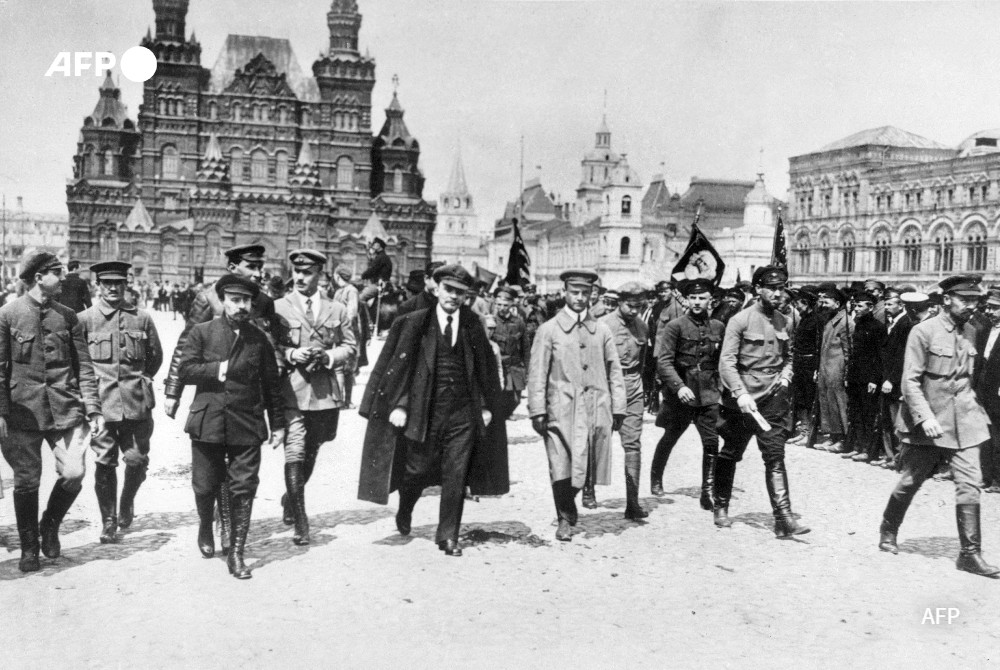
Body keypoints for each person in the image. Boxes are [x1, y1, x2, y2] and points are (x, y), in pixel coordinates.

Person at [357, 264, 506, 557]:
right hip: (424, 409)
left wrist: (487, 407)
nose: (453, 297)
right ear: (437, 289)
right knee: (417, 470)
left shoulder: (473, 325)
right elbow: (398, 369)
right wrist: (398, 405)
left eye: (459, 293)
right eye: (448, 290)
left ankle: (448, 535)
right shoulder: (414, 323)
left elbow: (486, 371)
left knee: (457, 473)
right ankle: (406, 505)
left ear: (466, 296)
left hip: (462, 413)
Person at [878, 275, 998, 578]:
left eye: (975, 300)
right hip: (930, 422)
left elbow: (971, 376)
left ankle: (970, 554)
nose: (972, 306)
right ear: (946, 300)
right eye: (965, 300)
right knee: (911, 481)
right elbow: (911, 381)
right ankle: (888, 529)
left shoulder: (973, 331)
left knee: (970, 484)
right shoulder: (923, 331)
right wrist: (925, 417)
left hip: (966, 420)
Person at [163, 243, 282, 551]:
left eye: (260, 266)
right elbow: (185, 346)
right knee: (208, 479)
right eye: (251, 267)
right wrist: (173, 391)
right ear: (233, 269)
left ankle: (229, 530)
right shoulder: (207, 298)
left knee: (238, 478)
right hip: (214, 396)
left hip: (247, 399)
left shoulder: (265, 302)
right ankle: (211, 524)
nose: (258, 272)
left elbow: (272, 347)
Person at [0, 252, 103, 572]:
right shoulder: (8, 314)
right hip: (22, 413)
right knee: (26, 481)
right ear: (38, 277)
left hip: (65, 408)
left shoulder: (68, 316)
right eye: (57, 273)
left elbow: (83, 366)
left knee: (74, 472)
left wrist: (93, 408)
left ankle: (50, 524)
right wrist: (2, 412)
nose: (63, 278)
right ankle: (29, 547)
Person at [527, 269, 626, 541]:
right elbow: (537, 373)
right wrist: (537, 410)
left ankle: (568, 507)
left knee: (587, 466)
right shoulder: (548, 330)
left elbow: (614, 369)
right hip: (560, 410)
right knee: (561, 465)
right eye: (575, 293)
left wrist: (618, 407)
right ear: (565, 293)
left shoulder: (602, 330)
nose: (580, 298)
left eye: (585, 293)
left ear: (592, 294)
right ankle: (565, 518)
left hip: (596, 407)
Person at [716, 266, 809, 537]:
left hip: (772, 398)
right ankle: (721, 505)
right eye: (772, 288)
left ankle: (784, 518)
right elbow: (727, 362)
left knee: (775, 456)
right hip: (742, 400)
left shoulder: (786, 320)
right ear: (758, 289)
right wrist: (740, 393)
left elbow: (789, 356)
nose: (778, 293)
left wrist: (785, 378)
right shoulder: (740, 320)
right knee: (731, 452)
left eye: (782, 288)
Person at [274, 250, 356, 545]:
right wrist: (291, 353)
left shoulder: (337, 310)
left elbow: (351, 347)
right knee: (295, 451)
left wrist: (329, 355)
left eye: (307, 272)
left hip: (324, 394)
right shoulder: (279, 307)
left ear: (320, 274)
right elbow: (270, 346)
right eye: (296, 271)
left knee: (313, 448)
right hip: (292, 392)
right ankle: (301, 519)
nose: (299, 277)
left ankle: (289, 497)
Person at [79, 262, 163, 544]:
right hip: (101, 407)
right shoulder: (85, 320)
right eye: (106, 283)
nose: (113, 288)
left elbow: (155, 357)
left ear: (127, 284)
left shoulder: (142, 318)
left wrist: (143, 380)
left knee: (137, 460)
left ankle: (127, 501)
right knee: (104, 461)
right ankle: (109, 520)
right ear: (97, 285)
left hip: (136, 403)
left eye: (118, 283)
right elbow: (79, 365)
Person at [650, 277, 724, 510]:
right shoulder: (676, 326)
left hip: (709, 393)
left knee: (711, 442)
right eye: (693, 297)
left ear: (711, 300)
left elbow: (722, 361)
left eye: (702, 298)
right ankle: (656, 477)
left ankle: (707, 491)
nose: (697, 302)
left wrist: (721, 389)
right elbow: (664, 362)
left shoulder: (719, 327)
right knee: (671, 435)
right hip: (681, 392)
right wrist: (679, 386)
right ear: (687, 299)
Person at [601, 282, 650, 520]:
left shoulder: (642, 326)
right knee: (598, 441)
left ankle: (633, 502)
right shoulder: (604, 325)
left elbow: (641, 362)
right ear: (620, 302)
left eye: (639, 306)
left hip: (632, 388)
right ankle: (589, 488)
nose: (634, 311)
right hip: (608, 389)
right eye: (630, 306)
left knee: (633, 444)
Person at [841, 292, 886, 463]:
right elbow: (854, 353)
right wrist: (848, 375)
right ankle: (858, 446)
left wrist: (874, 379)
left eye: (860, 306)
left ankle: (867, 449)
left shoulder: (878, 327)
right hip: (855, 375)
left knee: (868, 413)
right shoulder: (858, 324)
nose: (857, 309)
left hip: (868, 378)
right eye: (856, 305)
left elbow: (879, 355)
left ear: (871, 307)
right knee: (855, 412)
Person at [878, 287, 913, 469]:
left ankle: (898, 458)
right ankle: (890, 455)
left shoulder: (905, 324)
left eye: (890, 304)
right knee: (887, 419)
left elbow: (901, 356)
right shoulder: (892, 322)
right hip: (887, 377)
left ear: (901, 305)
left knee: (896, 420)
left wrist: (891, 379)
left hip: (895, 381)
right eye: (885, 304)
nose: (886, 307)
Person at [814, 284, 850, 452]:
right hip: (826, 369)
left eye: (826, 302)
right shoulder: (830, 320)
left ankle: (842, 438)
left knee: (838, 404)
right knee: (827, 403)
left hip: (837, 370)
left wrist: (846, 373)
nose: (822, 305)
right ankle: (832, 436)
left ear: (836, 303)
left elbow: (848, 350)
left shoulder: (845, 322)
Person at [491, 286, 530, 419]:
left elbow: (525, 347)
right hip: (500, 367)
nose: (502, 308)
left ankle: (503, 415)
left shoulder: (519, 322)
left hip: (515, 367)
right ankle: (501, 418)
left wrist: (528, 369)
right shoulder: (491, 322)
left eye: (505, 305)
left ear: (511, 304)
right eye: (499, 304)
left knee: (516, 399)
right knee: (503, 397)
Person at [975, 288, 1000, 493]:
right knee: (985, 434)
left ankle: (998, 480)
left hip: (998, 392)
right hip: (983, 390)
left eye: (995, 308)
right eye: (989, 307)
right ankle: (986, 476)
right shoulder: (985, 330)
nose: (990, 312)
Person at [332, 265, 361, 408]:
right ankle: (345, 401)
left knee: (343, 367)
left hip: (342, 332)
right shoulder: (350, 290)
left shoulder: (344, 291)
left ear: (337, 276)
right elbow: (351, 312)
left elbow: (351, 311)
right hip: (347, 332)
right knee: (346, 369)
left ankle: (342, 400)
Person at [359, 237, 393, 304]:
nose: (373, 245)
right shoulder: (382, 256)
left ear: (379, 245)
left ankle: (365, 314)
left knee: (360, 298)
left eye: (375, 244)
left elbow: (372, 270)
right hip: (382, 284)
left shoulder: (380, 257)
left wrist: (362, 276)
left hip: (379, 285)